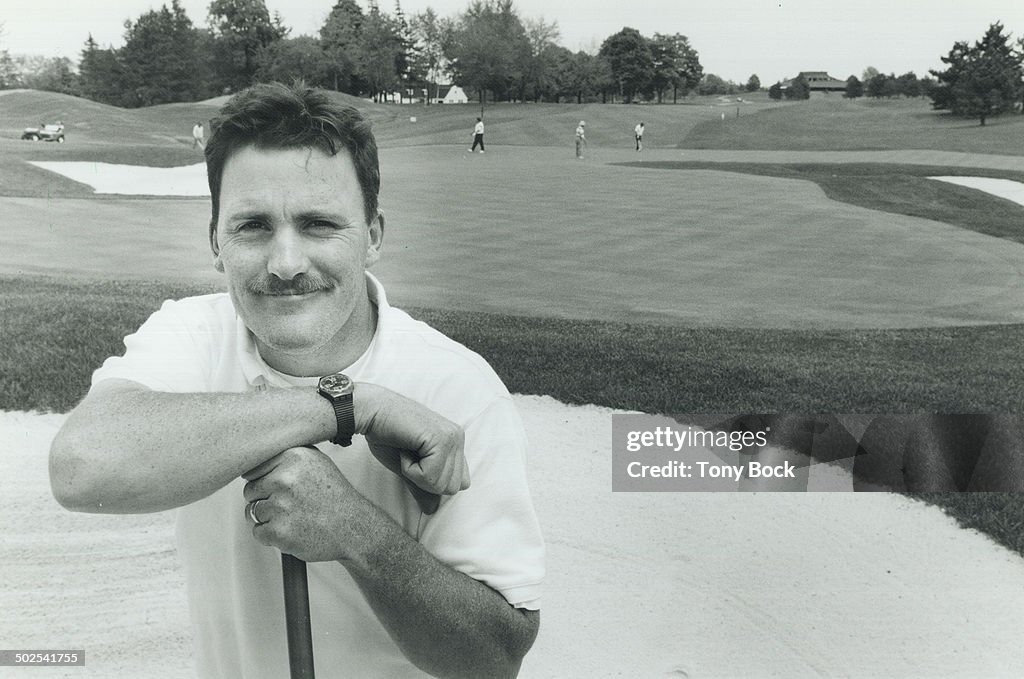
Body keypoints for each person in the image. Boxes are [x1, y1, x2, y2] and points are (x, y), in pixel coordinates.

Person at [49, 82, 544, 678]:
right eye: (253, 227)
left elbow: (494, 659)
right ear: (215, 241)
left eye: (318, 225)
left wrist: (359, 534)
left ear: (375, 237)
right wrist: (346, 405)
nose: (285, 263)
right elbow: (82, 467)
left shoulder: (455, 386)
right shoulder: (189, 332)